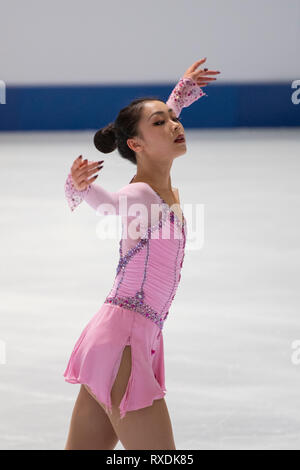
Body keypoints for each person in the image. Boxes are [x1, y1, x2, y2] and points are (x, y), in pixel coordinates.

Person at [63, 58, 221, 450]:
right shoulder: (139, 196)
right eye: (161, 123)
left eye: (173, 118)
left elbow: (156, 121)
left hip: (128, 338)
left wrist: (179, 95)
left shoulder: (158, 183)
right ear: (135, 145)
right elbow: (108, 205)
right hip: (125, 345)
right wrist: (79, 186)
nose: (174, 125)